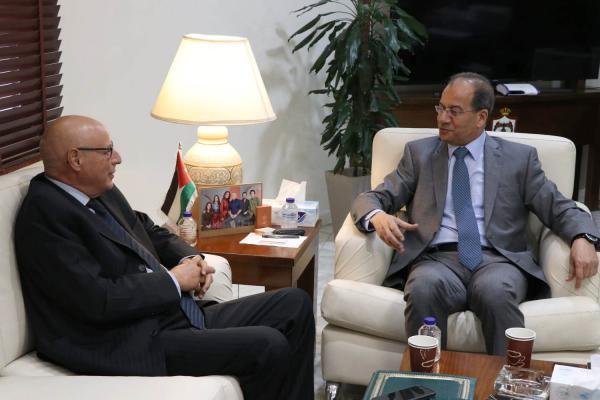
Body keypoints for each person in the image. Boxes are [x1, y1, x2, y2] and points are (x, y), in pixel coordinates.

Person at [14, 115, 315, 400]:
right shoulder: (45, 216)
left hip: (165, 315)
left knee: (294, 304)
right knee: (268, 345)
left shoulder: (97, 190)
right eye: (107, 151)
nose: (117, 158)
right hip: (125, 340)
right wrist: (173, 281)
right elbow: (98, 299)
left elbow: (145, 228)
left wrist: (191, 259)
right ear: (76, 159)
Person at [351, 72, 599, 355]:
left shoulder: (519, 159)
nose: (442, 118)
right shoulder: (419, 155)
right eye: (441, 108)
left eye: (454, 111)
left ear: (481, 117)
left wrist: (582, 237)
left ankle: (505, 380)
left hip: (498, 260)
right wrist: (377, 216)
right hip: (437, 260)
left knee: (495, 292)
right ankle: (426, 379)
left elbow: (559, 207)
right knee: (423, 287)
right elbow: (371, 198)